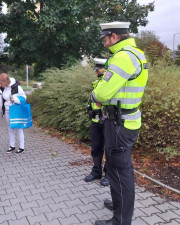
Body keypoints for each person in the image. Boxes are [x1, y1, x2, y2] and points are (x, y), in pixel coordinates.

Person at [90, 21, 148, 225]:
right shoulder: (135, 53)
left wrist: (95, 93)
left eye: (105, 38)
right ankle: (118, 204)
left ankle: (121, 220)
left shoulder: (123, 57)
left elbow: (102, 92)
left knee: (119, 170)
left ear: (114, 36)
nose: (104, 42)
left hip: (119, 124)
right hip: (123, 121)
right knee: (119, 167)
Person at [85, 58, 109, 187]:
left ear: (105, 69)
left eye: (98, 68)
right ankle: (96, 172)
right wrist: (89, 107)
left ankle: (108, 174)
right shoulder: (96, 82)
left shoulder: (109, 81)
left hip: (107, 120)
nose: (96, 71)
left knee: (109, 149)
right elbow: (93, 99)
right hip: (96, 120)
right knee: (96, 148)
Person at [0, 73, 27, 154]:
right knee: (10, 128)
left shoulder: (16, 87)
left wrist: (15, 99)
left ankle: (21, 147)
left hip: (16, 109)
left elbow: (24, 98)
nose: (0, 85)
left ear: (6, 81)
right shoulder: (1, 89)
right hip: (7, 110)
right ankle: (12, 146)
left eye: (1, 83)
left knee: (19, 128)